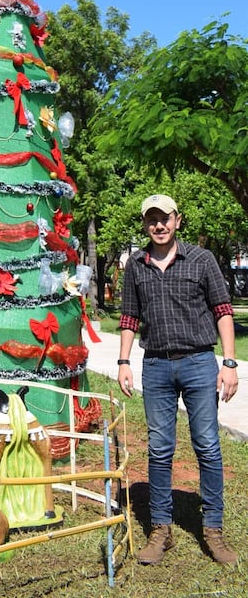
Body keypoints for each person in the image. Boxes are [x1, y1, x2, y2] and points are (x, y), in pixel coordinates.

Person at [118, 193, 239, 566]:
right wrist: (123, 360)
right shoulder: (136, 265)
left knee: (206, 444)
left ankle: (213, 531)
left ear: (177, 220)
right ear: (144, 224)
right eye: (152, 219)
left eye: (165, 218)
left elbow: (222, 311)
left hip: (200, 363)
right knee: (159, 448)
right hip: (155, 366)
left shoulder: (201, 260)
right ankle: (161, 530)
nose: (159, 225)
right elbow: (128, 318)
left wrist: (230, 362)